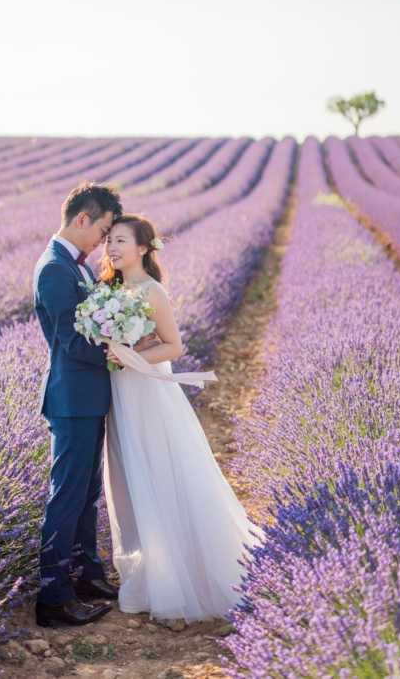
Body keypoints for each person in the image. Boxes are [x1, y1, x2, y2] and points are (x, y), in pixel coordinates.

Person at [100, 213, 265, 622]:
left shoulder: (152, 291)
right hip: (121, 393)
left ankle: (183, 579)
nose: (113, 248)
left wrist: (130, 357)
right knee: (130, 480)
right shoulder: (108, 291)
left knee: (161, 471)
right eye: (109, 241)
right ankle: (150, 572)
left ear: (143, 248)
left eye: (121, 241)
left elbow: (173, 347)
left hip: (149, 392)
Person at [33, 183, 157, 628]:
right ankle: (53, 597)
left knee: (85, 494)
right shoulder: (54, 269)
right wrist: (119, 352)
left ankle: (85, 575)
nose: (104, 241)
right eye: (103, 230)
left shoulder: (75, 267)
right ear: (82, 219)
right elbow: (70, 342)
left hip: (88, 397)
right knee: (66, 497)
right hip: (72, 400)